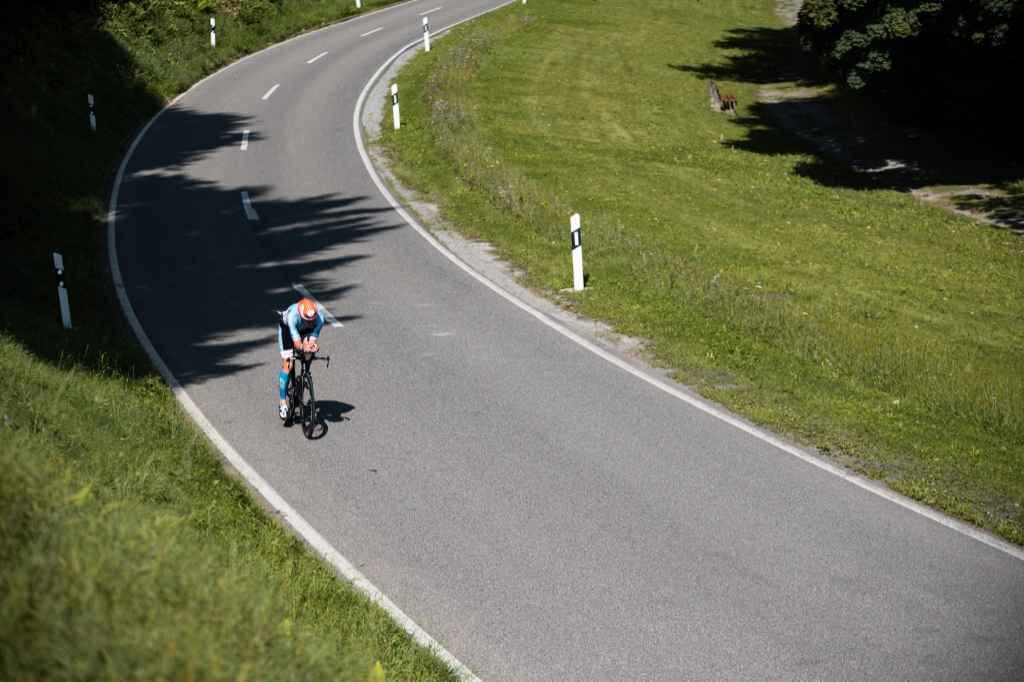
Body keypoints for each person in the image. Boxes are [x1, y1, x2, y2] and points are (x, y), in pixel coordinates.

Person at [278, 298, 324, 420]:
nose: (311, 323)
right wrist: (303, 347)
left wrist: (312, 346)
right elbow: (298, 345)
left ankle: (306, 373)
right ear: (301, 316)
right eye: (308, 320)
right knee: (289, 365)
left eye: (312, 320)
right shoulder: (292, 317)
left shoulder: (320, 318)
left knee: (309, 351)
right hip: (287, 329)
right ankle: (282, 402)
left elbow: (312, 340)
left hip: (304, 331)